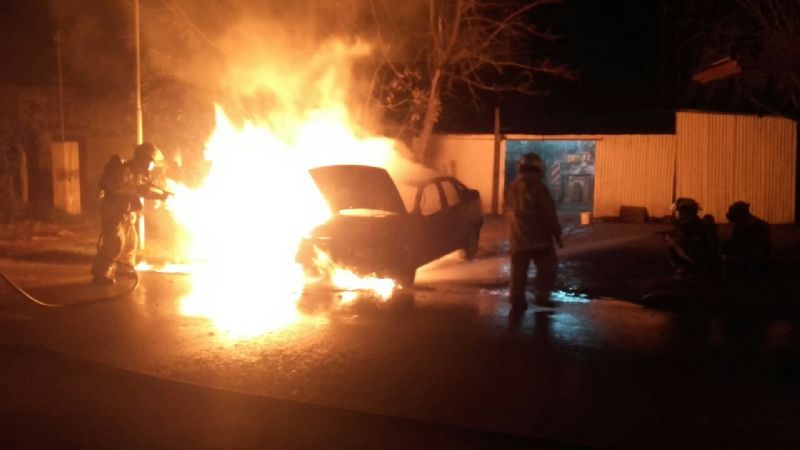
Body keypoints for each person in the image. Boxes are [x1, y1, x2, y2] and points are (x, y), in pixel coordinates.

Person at [91, 142, 170, 285]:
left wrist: (160, 195)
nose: (152, 166)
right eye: (152, 162)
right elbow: (128, 188)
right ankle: (100, 273)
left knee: (131, 241)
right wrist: (153, 194)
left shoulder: (138, 172)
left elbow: (143, 190)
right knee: (115, 242)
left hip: (126, 211)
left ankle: (124, 268)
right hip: (114, 210)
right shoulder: (125, 170)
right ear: (145, 159)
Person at [504, 152, 563, 311]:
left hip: (518, 239)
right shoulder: (539, 188)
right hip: (539, 240)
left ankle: (517, 300)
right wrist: (557, 233)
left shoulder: (511, 187)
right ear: (538, 169)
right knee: (547, 268)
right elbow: (548, 214)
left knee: (518, 272)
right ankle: (542, 298)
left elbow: (508, 213)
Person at [664, 197, 720, 277]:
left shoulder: (689, 224)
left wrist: (671, 238)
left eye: (677, 211)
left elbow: (682, 237)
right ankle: (692, 267)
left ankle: (685, 268)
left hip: (703, 256)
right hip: (708, 255)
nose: (676, 213)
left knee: (673, 244)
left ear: (684, 212)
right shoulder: (696, 221)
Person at [723, 201, 771, 279]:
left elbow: (758, 247)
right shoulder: (740, 224)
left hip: (756, 258)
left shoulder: (756, 225)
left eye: (734, 213)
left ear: (740, 213)